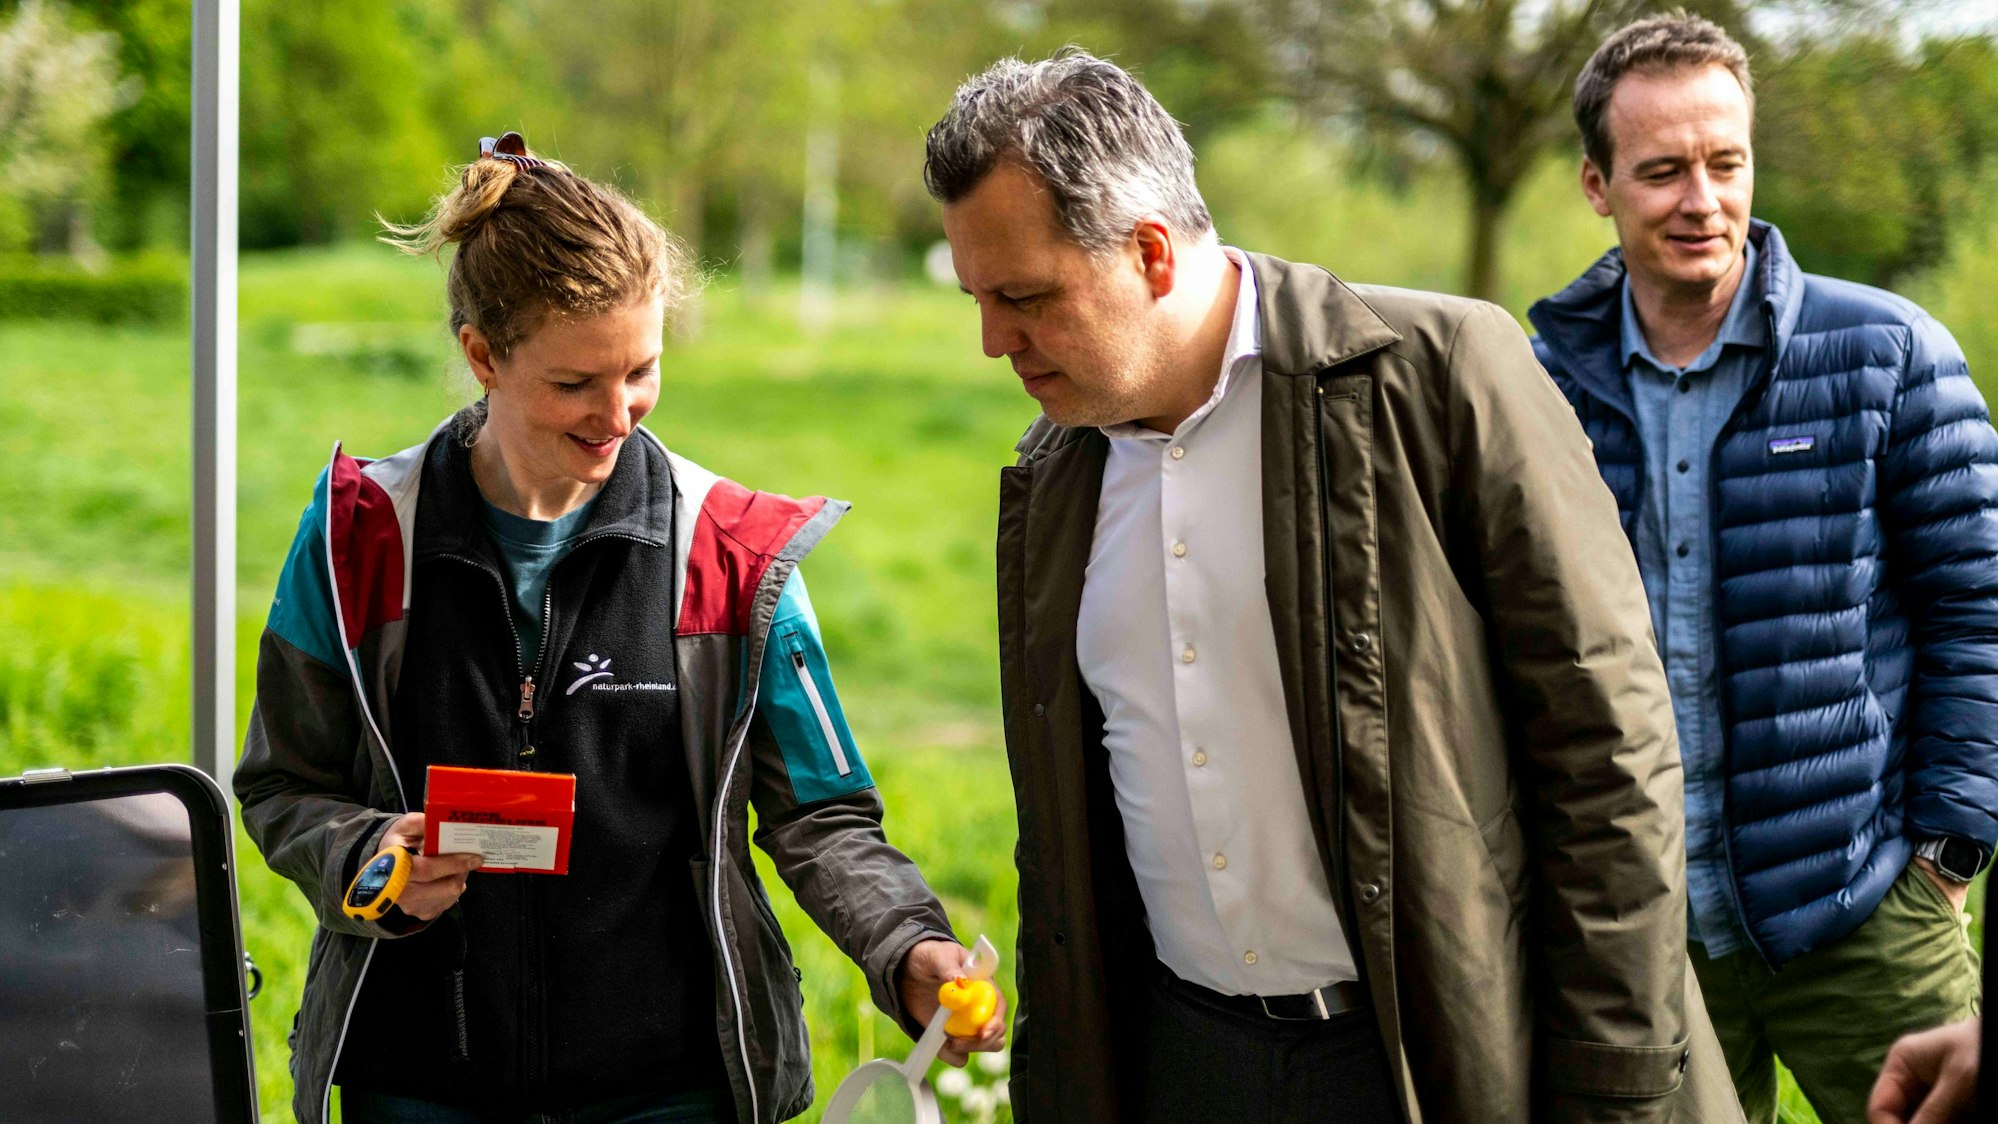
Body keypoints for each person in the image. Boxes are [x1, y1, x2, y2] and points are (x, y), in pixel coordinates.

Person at [925, 49, 1741, 1124]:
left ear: (1153, 253)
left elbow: (1611, 758)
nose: (994, 342)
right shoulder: (1052, 473)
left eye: (1024, 297)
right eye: (980, 298)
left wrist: (1617, 1086)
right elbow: (1064, 835)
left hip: (1433, 1057)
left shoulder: (1444, 373)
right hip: (1178, 1060)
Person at [234, 133, 1003, 1124]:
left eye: (641, 370)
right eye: (574, 384)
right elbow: (281, 784)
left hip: (670, 1086)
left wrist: (907, 942)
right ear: (481, 355)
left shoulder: (731, 552)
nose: (618, 413)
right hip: (418, 1081)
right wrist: (369, 858)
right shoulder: (358, 538)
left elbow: (822, 813)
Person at [1528, 15, 1998, 1124]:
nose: (1702, 199)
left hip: (1866, 905)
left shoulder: (1888, 351)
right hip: (1640, 938)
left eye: (1725, 162)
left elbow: (1977, 605)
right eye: (1661, 171)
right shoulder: (1532, 384)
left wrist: (1952, 844)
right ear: (1598, 184)